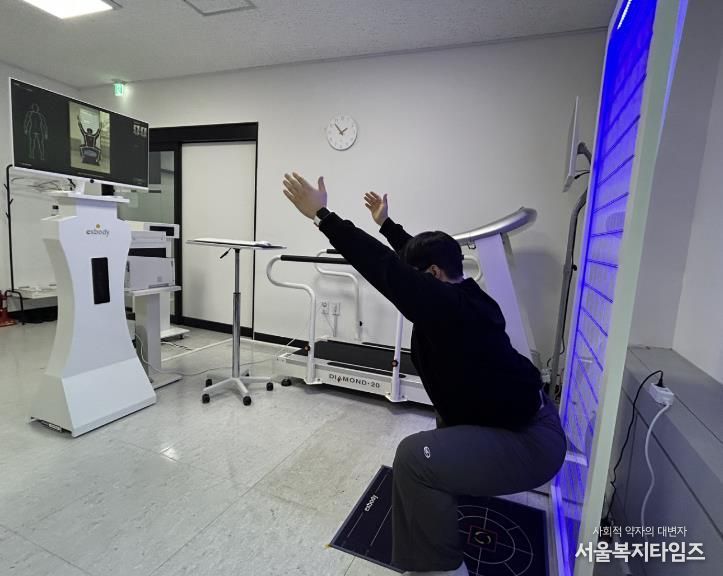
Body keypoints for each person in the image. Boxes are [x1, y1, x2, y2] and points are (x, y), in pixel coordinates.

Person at [282, 173, 567, 576]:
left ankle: (445, 569)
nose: (412, 282)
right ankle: (438, 521)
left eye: (417, 277)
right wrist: (386, 224)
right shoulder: (460, 292)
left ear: (432, 275)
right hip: (514, 422)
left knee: (413, 457)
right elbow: (405, 257)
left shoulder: (452, 309)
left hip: (532, 442)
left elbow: (385, 269)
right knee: (443, 427)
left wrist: (323, 216)